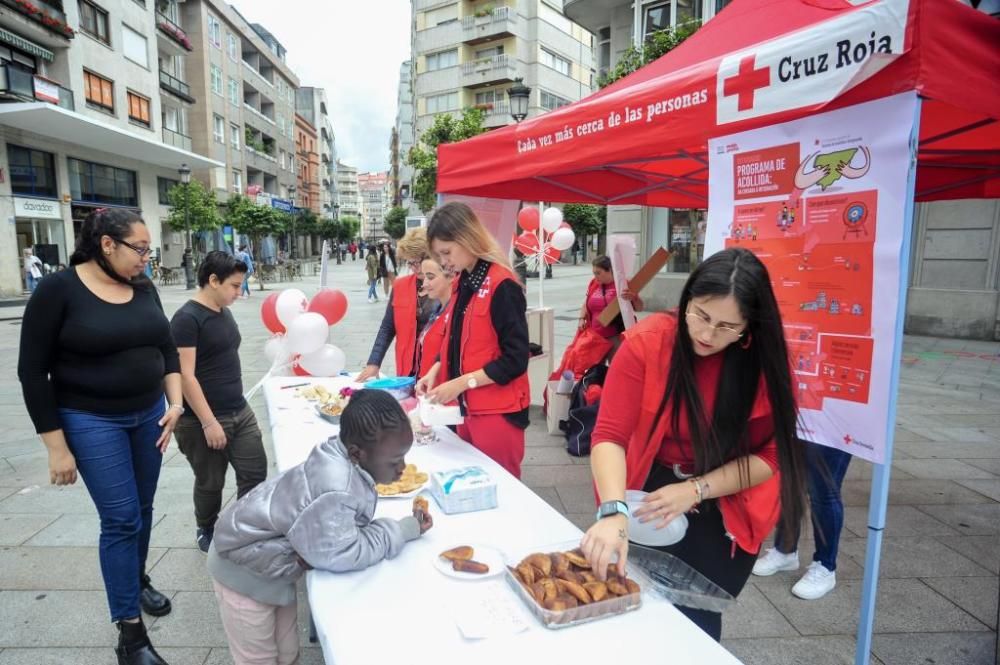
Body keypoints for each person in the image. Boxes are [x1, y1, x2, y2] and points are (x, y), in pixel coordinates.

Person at [580, 247, 807, 642]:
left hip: (726, 492)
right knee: (628, 598)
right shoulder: (647, 343)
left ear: (749, 326)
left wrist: (696, 489)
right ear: (687, 299)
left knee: (694, 616)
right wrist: (613, 512)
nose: (706, 334)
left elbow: (771, 455)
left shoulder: (765, 362)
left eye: (726, 326)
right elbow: (609, 436)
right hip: (648, 485)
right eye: (701, 314)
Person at [17, 208, 183, 665]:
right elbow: (32, 372)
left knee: (144, 509)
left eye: (149, 249)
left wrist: (175, 403)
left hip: (149, 413)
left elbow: (166, 347)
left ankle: (136, 578)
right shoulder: (58, 290)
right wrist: (56, 447)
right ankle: (131, 637)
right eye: (141, 249)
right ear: (107, 244)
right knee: (122, 518)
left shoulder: (143, 287)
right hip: (91, 419)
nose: (147, 259)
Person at [208, 390, 433, 665]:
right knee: (259, 659)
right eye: (394, 461)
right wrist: (402, 530)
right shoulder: (336, 487)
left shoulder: (342, 455)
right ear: (356, 453)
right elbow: (343, 553)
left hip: (272, 569)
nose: (402, 468)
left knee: (287, 652)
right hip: (241, 573)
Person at [416, 202, 531, 478]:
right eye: (439, 254)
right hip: (468, 410)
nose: (444, 261)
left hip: (497, 413)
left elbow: (515, 359)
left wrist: (460, 383)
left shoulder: (502, 285)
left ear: (466, 238)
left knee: (502, 491)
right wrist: (435, 370)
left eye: (446, 252)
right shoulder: (462, 283)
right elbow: (454, 342)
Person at [170, 251, 267, 554]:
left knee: (255, 473)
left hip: (239, 409)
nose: (239, 293)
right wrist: (209, 422)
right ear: (213, 281)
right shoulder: (187, 319)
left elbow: (225, 349)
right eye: (235, 286)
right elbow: (185, 376)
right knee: (211, 481)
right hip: (202, 419)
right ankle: (207, 525)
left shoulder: (222, 309)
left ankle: (243, 526)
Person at [752, 440, 852, 599]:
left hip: (837, 424)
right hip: (803, 418)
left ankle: (825, 566)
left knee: (824, 491)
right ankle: (785, 549)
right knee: (789, 482)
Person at [357, 228, 436, 381]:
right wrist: (374, 362)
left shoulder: (448, 286)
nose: (414, 268)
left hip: (436, 371)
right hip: (407, 367)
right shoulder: (401, 286)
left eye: (417, 262)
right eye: (410, 263)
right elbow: (387, 327)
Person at [414, 257, 454, 379]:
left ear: (451, 277)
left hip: (442, 393)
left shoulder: (455, 314)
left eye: (430, 277)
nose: (425, 283)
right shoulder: (437, 310)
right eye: (424, 277)